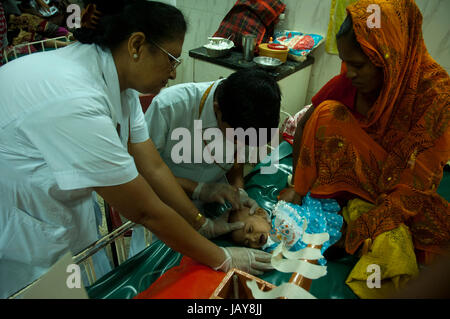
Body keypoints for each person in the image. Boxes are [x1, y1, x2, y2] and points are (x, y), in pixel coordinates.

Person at [0, 0, 273, 299]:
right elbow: (145, 210)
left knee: (86, 284)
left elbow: (152, 166)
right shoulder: (76, 101)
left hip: (58, 206)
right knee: (47, 291)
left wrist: (202, 221)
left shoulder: (121, 85)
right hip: (23, 218)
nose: (173, 74)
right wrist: (222, 257)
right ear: (137, 45)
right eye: (172, 60)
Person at [281, 0, 449, 266]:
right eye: (345, 62)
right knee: (328, 114)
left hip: (398, 190)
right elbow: (306, 125)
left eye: (359, 64)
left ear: (389, 57)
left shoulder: (435, 96)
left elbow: (417, 184)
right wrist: (298, 189)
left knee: (408, 247)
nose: (350, 73)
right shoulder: (348, 80)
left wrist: (358, 231)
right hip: (349, 186)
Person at [129, 68, 282, 256]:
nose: (240, 144)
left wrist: (238, 187)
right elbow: (139, 170)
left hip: (213, 212)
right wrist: (198, 189)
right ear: (218, 110)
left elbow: (236, 160)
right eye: (237, 139)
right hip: (162, 209)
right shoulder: (171, 107)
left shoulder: (249, 116)